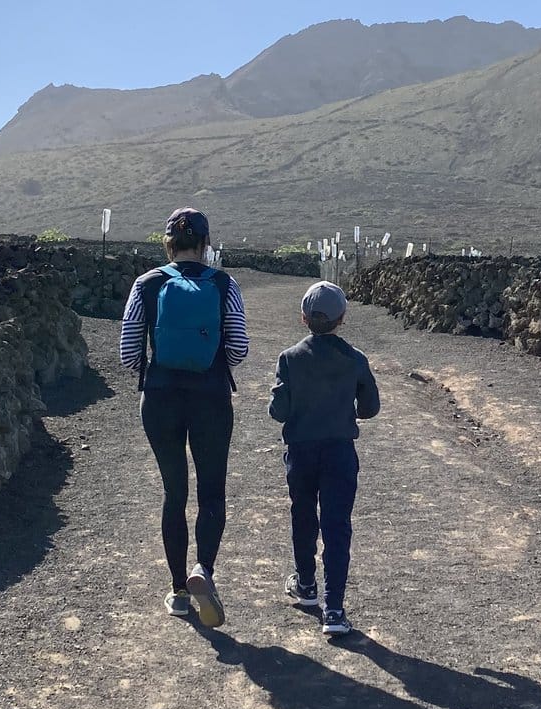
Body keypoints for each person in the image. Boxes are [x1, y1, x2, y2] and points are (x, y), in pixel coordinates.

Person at [121, 209, 248, 626]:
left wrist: (156, 368)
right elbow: (238, 349)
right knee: (212, 492)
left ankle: (178, 591)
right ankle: (203, 570)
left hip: (159, 399)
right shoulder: (225, 284)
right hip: (210, 398)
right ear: (206, 244)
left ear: (168, 243)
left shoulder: (147, 283)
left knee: (174, 494)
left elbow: (127, 353)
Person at [268, 280, 380, 639]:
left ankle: (306, 585)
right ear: (342, 319)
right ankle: (334, 608)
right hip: (339, 452)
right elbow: (371, 407)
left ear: (303, 318)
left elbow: (278, 411)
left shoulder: (289, 358)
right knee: (336, 525)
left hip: (300, 452)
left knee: (303, 515)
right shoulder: (355, 359)